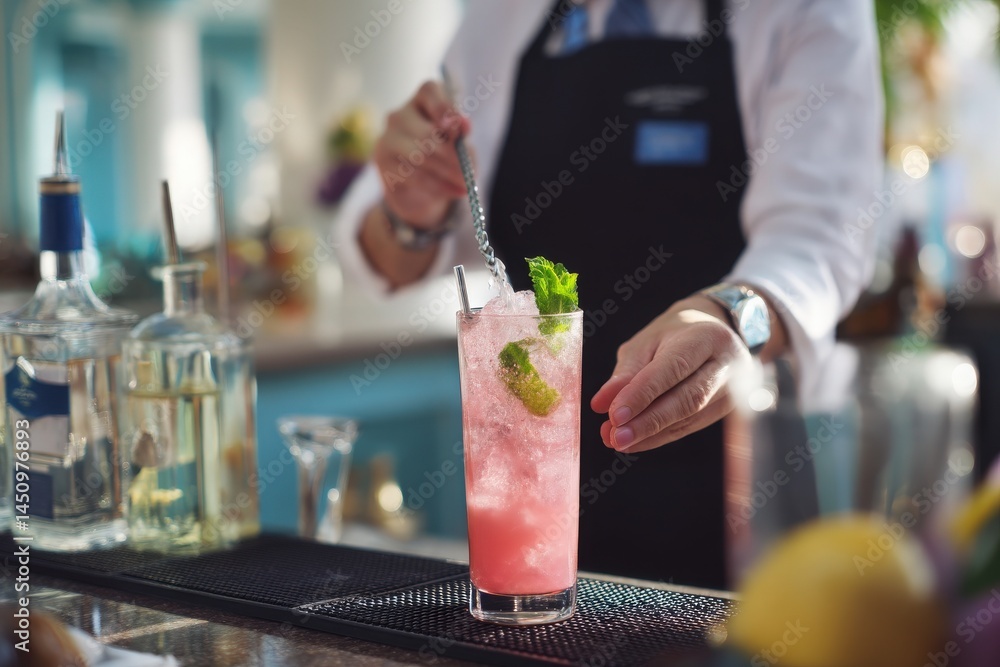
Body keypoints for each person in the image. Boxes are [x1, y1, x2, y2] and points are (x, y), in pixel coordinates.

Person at [334, 0, 883, 589]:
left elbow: (819, 238)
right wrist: (410, 211)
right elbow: (386, 250)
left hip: (737, 479)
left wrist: (729, 316)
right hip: (534, 482)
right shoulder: (501, 15)